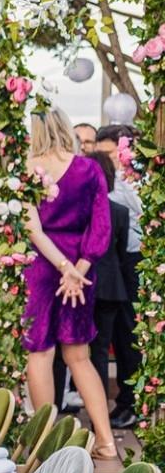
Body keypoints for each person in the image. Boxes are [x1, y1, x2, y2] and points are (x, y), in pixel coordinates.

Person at [21, 107, 115, 458]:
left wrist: (62, 267)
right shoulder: (89, 168)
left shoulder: (28, 169)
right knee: (79, 355)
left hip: (44, 268)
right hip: (81, 267)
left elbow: (32, 229)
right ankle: (106, 441)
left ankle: (45, 444)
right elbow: (101, 224)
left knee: (40, 353)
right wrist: (79, 268)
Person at [94, 124, 143, 428]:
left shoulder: (136, 180)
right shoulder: (103, 179)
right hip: (112, 261)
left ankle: (131, 401)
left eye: (110, 153)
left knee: (130, 332)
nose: (106, 160)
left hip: (136, 260)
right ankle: (123, 400)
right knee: (113, 334)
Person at [86, 151, 132, 422]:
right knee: (101, 352)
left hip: (87, 284)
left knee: (83, 353)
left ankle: (91, 412)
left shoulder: (84, 210)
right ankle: (98, 417)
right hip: (113, 287)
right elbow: (123, 254)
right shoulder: (121, 212)